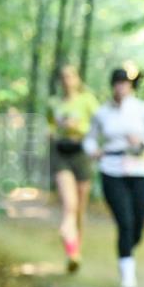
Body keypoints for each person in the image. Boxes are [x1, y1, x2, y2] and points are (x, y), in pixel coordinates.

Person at [83, 67, 144, 287]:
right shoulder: (102, 113)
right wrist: (94, 151)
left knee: (138, 223)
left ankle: (129, 246)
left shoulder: (141, 110)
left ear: (130, 86)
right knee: (125, 222)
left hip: (138, 169)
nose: (121, 87)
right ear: (112, 86)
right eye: (117, 83)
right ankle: (128, 277)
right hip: (111, 170)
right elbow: (89, 140)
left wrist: (143, 141)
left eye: (125, 83)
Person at [48, 65, 99, 273]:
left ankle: (75, 251)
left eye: (70, 76)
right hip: (61, 153)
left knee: (79, 210)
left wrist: (77, 127)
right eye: (63, 76)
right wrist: (52, 131)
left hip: (81, 153)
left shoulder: (87, 101)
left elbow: (98, 125)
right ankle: (69, 241)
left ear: (78, 79)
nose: (67, 80)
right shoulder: (54, 103)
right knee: (69, 204)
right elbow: (50, 125)